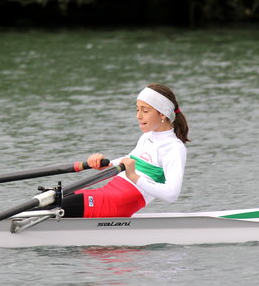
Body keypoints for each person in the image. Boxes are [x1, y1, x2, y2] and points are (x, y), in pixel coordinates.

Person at [59, 83, 189, 218]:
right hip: (107, 194)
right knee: (50, 200)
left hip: (117, 204)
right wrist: (106, 164)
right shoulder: (147, 137)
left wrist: (133, 176)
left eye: (145, 111)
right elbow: (129, 160)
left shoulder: (174, 148)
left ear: (162, 114)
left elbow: (172, 194)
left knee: (56, 206)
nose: (138, 116)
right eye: (137, 110)